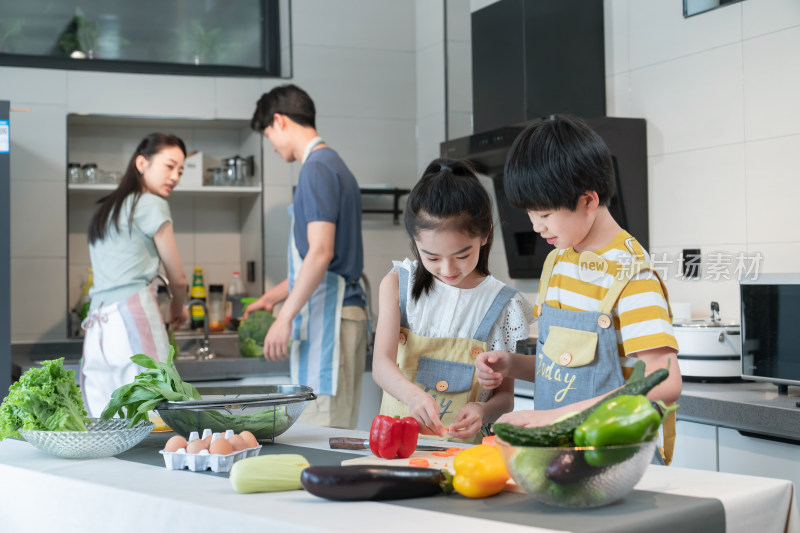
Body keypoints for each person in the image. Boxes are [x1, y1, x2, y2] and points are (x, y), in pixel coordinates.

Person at [474, 114, 682, 463]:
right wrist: (512, 365)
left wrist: (553, 418)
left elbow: (663, 383)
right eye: (530, 214)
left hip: (618, 460)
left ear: (588, 200)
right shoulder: (559, 262)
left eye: (545, 214)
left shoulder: (631, 275)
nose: (537, 227)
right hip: (560, 455)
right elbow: (563, 366)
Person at [372, 158, 534, 444]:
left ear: (485, 236)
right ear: (415, 241)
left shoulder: (503, 304)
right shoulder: (398, 284)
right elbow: (381, 364)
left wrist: (482, 410)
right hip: (395, 450)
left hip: (465, 460)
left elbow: (505, 398)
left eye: (461, 256)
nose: (448, 270)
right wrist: (413, 396)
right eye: (432, 257)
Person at [246, 84, 367, 429]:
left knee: (320, 434)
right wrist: (271, 297)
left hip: (332, 319)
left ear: (280, 121)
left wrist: (284, 318)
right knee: (331, 427)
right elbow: (319, 261)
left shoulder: (315, 169)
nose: (270, 143)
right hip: (342, 313)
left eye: (268, 132)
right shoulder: (335, 165)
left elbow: (321, 253)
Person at [81, 133, 189, 417]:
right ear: (142, 162)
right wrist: (179, 306)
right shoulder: (152, 204)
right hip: (133, 316)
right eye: (169, 166)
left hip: (97, 327)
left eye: (181, 169)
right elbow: (177, 278)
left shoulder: (105, 210)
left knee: (103, 418)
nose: (175, 176)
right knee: (155, 411)